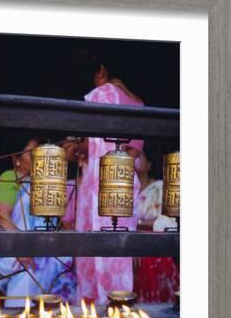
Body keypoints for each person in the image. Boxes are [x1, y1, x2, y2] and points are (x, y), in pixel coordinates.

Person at [73, 62, 145, 305]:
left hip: (97, 183)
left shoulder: (98, 96)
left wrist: (78, 148)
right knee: (119, 248)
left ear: (101, 71)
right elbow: (133, 154)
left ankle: (94, 309)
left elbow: (86, 145)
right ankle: (119, 303)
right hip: (123, 183)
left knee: (94, 247)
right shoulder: (138, 103)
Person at [0, 139, 77, 307]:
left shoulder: (47, 182)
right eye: (29, 152)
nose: (35, 156)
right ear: (17, 158)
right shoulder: (10, 177)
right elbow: (1, 216)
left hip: (45, 250)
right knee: (22, 304)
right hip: (20, 249)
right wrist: (21, 245)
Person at [133, 144, 179, 302]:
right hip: (132, 243)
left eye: (140, 157)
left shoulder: (159, 187)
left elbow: (166, 221)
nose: (135, 161)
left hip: (153, 246)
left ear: (149, 164)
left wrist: (136, 224)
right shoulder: (129, 189)